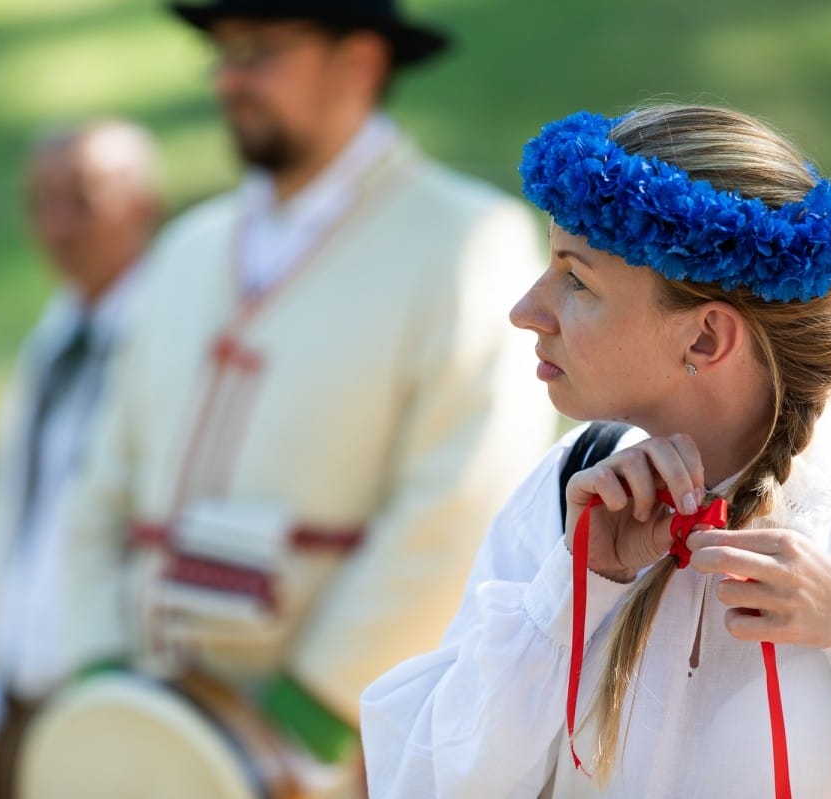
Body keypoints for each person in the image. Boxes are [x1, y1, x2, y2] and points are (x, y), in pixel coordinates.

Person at [53, 0, 556, 792]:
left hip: (339, 753)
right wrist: (98, 664)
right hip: (145, 730)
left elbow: (463, 497)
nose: (228, 79)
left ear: (357, 62)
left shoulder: (465, 240)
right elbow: (99, 479)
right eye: (220, 54)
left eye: (257, 51)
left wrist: (316, 706)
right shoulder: (190, 248)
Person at [361, 104, 831, 798]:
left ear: (703, 340)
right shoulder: (570, 486)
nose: (526, 309)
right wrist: (572, 589)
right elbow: (430, 782)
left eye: (576, 280)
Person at [0, 119, 165, 799]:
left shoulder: (170, 334)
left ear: (143, 206)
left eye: (82, 198)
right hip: (25, 675)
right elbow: (24, 511)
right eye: (40, 201)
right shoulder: (58, 332)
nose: (58, 225)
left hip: (116, 680)